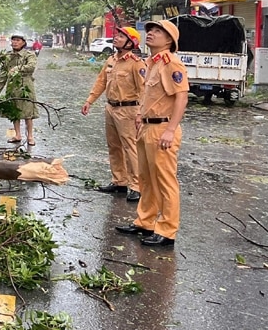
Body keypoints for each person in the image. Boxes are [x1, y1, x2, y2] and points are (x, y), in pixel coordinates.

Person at [115, 19, 189, 248]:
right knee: (146, 179)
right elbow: (152, 95)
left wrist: (170, 129)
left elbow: (181, 97)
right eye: (150, 31)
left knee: (165, 181)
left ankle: (167, 230)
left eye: (158, 32)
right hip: (147, 126)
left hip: (162, 129)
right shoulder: (153, 62)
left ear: (169, 40)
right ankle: (145, 221)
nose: (151, 34)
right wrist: (140, 116)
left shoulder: (171, 63)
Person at [81, 27, 146, 202]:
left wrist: (140, 113)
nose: (115, 38)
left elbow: (144, 90)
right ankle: (120, 182)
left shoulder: (136, 63)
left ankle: (135, 186)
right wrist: (90, 101)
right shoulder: (111, 60)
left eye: (120, 36)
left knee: (130, 147)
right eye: (116, 35)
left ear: (130, 42)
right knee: (114, 146)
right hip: (111, 108)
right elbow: (101, 81)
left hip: (128, 110)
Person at [0, 33, 38, 146]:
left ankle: (30, 136)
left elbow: (31, 67)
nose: (15, 42)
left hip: (25, 87)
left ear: (23, 42)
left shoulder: (29, 55)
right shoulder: (8, 56)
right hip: (12, 87)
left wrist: (17, 68)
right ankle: (17, 135)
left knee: (28, 113)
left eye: (18, 40)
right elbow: (3, 74)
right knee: (14, 112)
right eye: (13, 40)